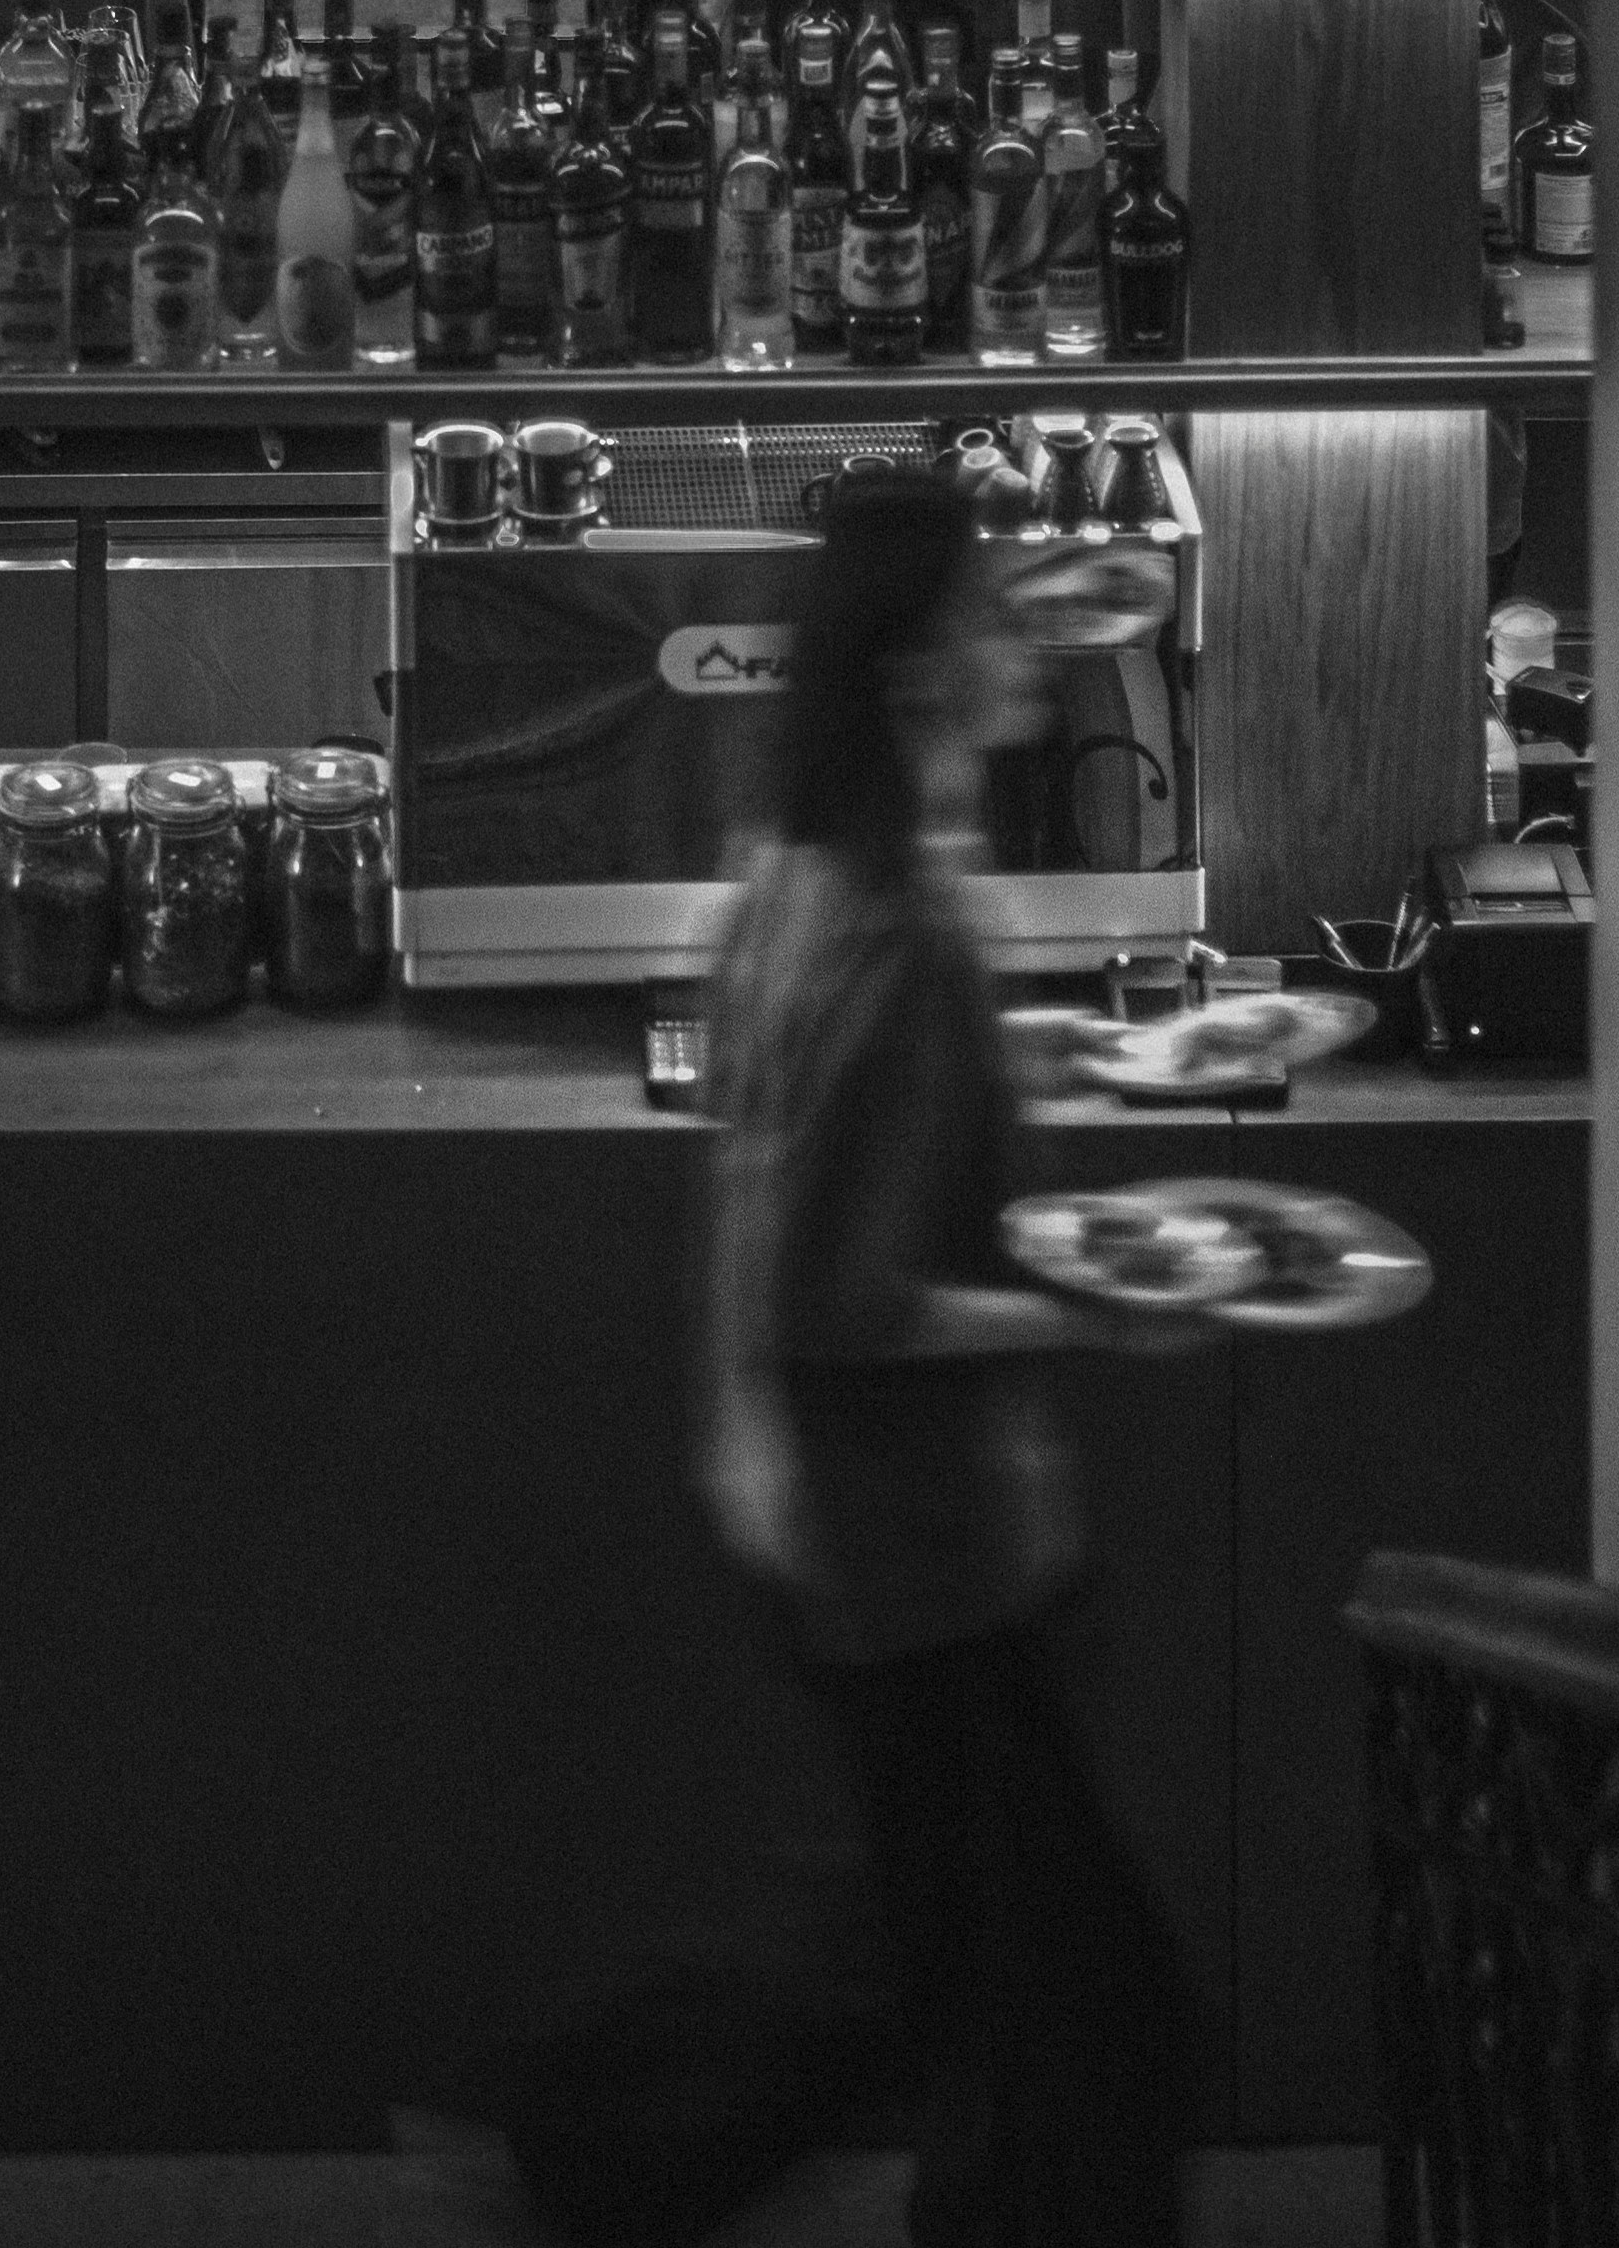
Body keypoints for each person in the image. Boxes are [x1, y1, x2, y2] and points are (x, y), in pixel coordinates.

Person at [482, 468, 1196, 2248]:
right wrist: (1098, 1308)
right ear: (914, 670)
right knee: (1075, 2012)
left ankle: (588, 2151)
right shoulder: (900, 934)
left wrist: (1039, 1068)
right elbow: (846, 1306)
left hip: (840, 1536)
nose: (1024, 640)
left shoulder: (793, 875)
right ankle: (587, 2150)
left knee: (934, 1968)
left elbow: (795, 1137)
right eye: (988, 613)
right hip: (927, 1547)